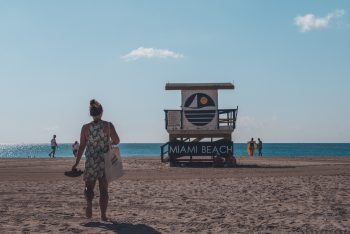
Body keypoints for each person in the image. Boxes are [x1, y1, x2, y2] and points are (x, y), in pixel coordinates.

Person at [72, 99, 120, 221]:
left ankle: (89, 205)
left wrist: (76, 163)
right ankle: (103, 215)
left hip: (91, 161)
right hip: (104, 161)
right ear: (102, 112)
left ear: (91, 114)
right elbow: (117, 140)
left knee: (89, 187)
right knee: (103, 189)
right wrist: (110, 142)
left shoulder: (85, 128)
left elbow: (82, 146)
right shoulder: (108, 125)